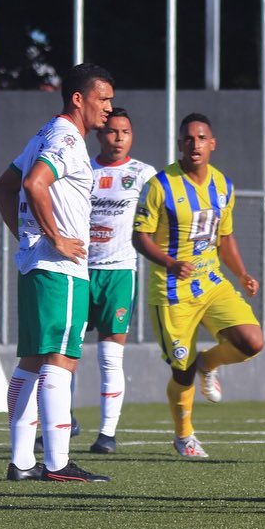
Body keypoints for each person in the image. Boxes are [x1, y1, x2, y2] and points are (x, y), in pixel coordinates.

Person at [0, 62, 115, 482]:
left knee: (31, 361)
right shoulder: (67, 139)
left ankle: (22, 462)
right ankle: (58, 463)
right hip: (60, 268)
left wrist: (29, 237)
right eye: (102, 98)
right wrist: (56, 238)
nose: (108, 107)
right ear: (78, 99)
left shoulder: (45, 133)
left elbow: (3, 186)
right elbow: (33, 184)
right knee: (61, 360)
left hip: (36, 264)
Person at [132, 113, 264, 458]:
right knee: (182, 369)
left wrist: (242, 274)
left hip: (212, 283)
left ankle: (209, 362)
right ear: (180, 144)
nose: (195, 144)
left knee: (252, 341)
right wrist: (170, 263)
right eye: (188, 138)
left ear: (212, 144)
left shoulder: (223, 185)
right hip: (172, 290)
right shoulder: (160, 186)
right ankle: (184, 437)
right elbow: (140, 237)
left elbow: (225, 238)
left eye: (201, 138)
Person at [83, 107, 157, 454]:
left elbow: (160, 217)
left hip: (119, 272)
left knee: (109, 355)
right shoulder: (83, 170)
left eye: (125, 132)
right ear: (99, 135)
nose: (118, 138)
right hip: (79, 270)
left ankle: (107, 434)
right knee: (64, 352)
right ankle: (62, 420)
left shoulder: (143, 174)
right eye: (112, 131)